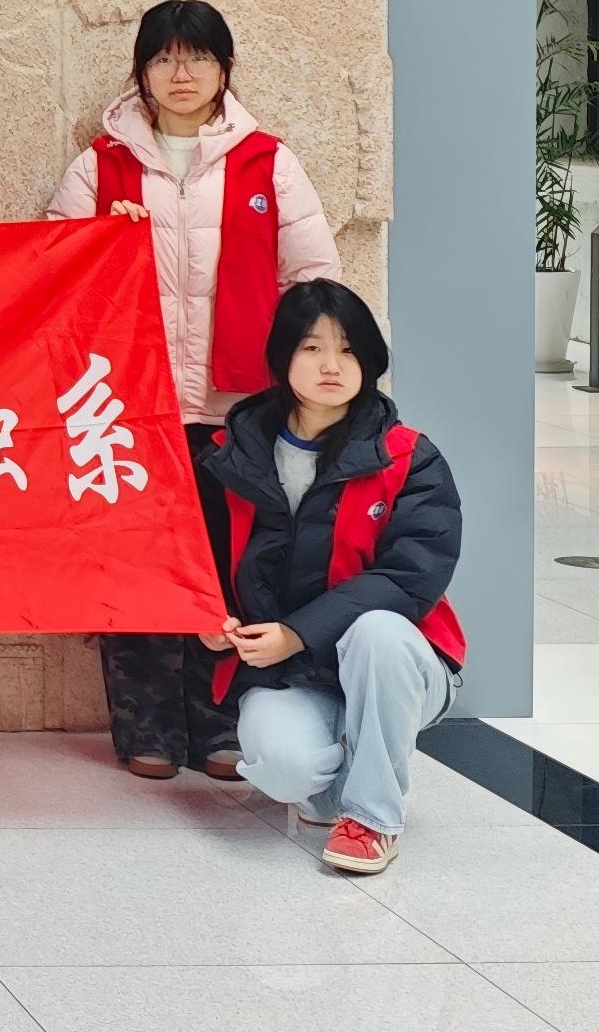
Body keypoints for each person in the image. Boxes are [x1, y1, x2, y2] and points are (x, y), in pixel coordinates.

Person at [49, 0, 343, 782]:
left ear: (225, 68)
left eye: (198, 57)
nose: (182, 73)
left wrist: (300, 384)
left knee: (232, 568)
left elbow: (314, 281)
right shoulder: (100, 165)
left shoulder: (267, 163)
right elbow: (54, 274)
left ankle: (219, 729)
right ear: (141, 71)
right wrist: (99, 240)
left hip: (237, 409)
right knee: (136, 566)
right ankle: (144, 730)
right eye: (164, 58)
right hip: (130, 407)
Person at [198, 281, 465, 873]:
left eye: (348, 350)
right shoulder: (228, 456)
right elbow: (202, 560)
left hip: (398, 666)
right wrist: (212, 621)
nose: (331, 365)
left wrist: (297, 632)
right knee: (284, 769)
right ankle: (345, 768)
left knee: (377, 630)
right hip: (294, 676)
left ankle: (372, 820)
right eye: (312, 347)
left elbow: (409, 578)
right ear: (282, 356)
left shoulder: (408, 457)